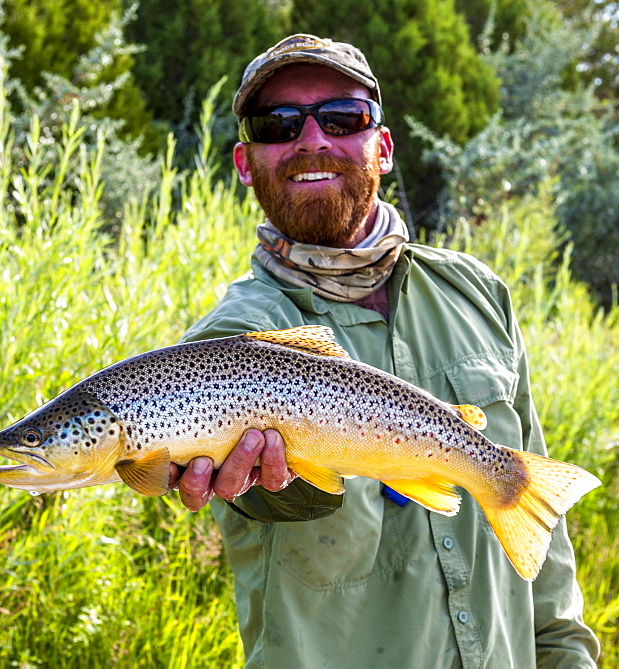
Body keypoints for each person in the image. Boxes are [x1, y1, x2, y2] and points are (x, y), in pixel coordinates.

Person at [168, 34, 600, 667]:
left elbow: (539, 525)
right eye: (277, 124)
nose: (312, 140)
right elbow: (278, 503)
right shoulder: (224, 346)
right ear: (243, 162)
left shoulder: (477, 293)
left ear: (384, 147)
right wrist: (266, 481)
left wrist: (568, 655)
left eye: (342, 118)